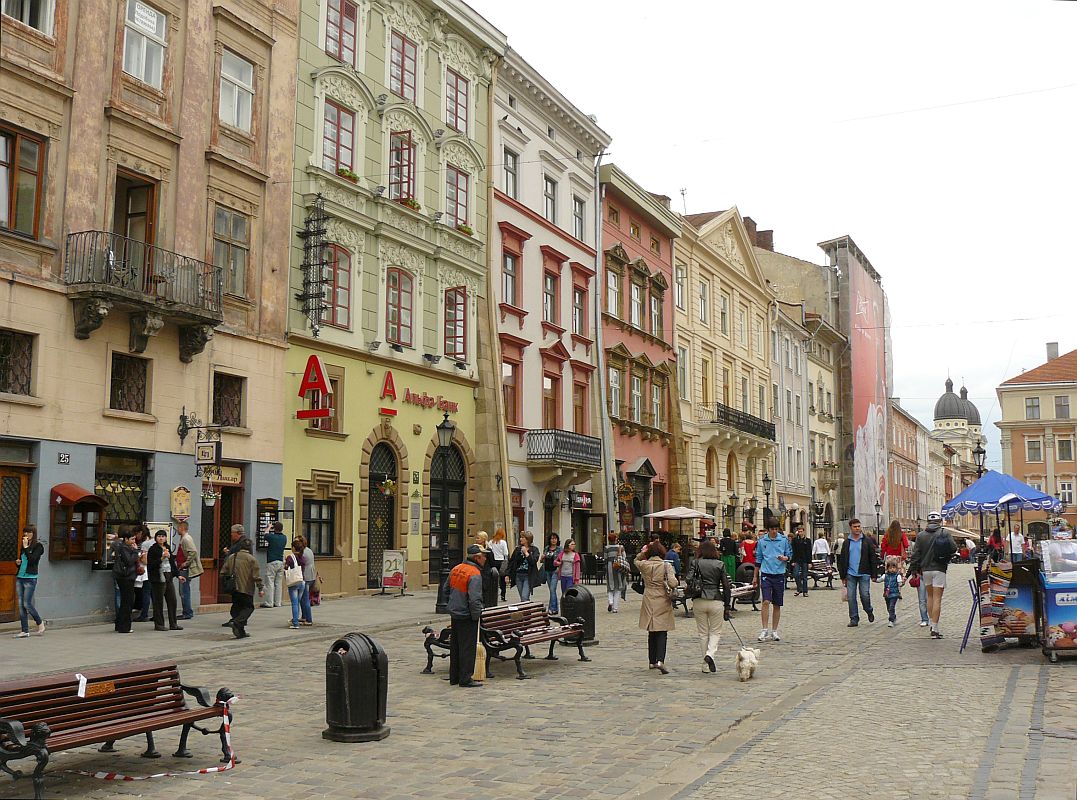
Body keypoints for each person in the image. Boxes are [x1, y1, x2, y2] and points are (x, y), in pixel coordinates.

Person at [907, 512, 956, 639]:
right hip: (939, 568)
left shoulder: (921, 535)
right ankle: (935, 628)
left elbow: (915, 554)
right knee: (937, 598)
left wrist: (913, 570)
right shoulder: (944, 533)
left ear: (928, 522)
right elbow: (954, 548)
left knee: (929, 596)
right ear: (939, 521)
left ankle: (931, 622)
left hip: (925, 570)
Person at [686, 538, 732, 673]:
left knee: (702, 633)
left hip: (699, 599)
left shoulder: (696, 562)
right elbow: (726, 586)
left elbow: (688, 579)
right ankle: (710, 655)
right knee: (715, 632)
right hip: (716, 599)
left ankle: (705, 665)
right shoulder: (720, 564)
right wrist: (727, 605)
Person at [447, 544, 486, 688]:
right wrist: (476, 616)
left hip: (455, 612)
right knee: (467, 648)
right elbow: (474, 599)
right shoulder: (474, 573)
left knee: (455, 646)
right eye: (484, 556)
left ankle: (454, 676)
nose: (485, 558)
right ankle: (465, 678)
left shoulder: (456, 568)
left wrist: (451, 606)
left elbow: (446, 589)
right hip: (467, 614)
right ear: (477, 557)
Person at [635, 541, 677, 673]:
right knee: (662, 630)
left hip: (648, 596)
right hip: (662, 598)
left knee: (651, 629)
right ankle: (660, 660)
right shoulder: (666, 566)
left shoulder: (644, 565)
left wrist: (644, 552)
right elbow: (673, 582)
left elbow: (636, 559)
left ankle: (651, 661)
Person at [754, 518, 792, 642]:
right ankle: (764, 629)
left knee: (777, 604)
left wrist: (785, 558)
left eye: (776, 529)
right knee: (765, 601)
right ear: (768, 529)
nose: (774, 531)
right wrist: (755, 576)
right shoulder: (762, 541)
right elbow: (758, 559)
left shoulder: (784, 540)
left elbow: (789, 555)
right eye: (772, 529)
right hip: (766, 573)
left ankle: (774, 630)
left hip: (779, 574)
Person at [837, 518, 879, 627]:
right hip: (850, 573)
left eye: (859, 526)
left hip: (864, 572)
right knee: (851, 597)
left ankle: (868, 610)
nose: (857, 528)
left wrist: (874, 574)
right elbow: (842, 559)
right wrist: (843, 575)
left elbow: (873, 558)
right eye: (855, 527)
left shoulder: (867, 541)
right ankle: (854, 618)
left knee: (865, 595)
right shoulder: (847, 542)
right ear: (850, 528)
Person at [220, 537, 264, 639]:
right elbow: (256, 576)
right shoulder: (252, 559)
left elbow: (223, 572)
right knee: (248, 608)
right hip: (246, 588)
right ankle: (236, 623)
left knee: (237, 607)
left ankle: (240, 631)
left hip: (234, 588)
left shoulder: (232, 557)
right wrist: (260, 588)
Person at [147, 528, 182, 631]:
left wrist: (178, 575)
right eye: (159, 536)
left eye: (163, 536)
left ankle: (173, 623)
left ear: (166, 538)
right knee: (158, 601)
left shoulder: (167, 547)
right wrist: (161, 558)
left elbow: (172, 563)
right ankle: (159, 624)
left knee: (172, 600)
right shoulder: (153, 549)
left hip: (168, 575)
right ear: (156, 538)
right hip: (158, 577)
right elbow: (151, 564)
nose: (161, 538)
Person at [13, 525, 45, 638]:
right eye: (25, 532)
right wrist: (18, 563)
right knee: (21, 604)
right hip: (20, 577)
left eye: (29, 532)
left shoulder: (39, 546)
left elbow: (32, 560)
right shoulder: (23, 546)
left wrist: (26, 547)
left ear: (33, 533)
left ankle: (40, 623)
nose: (26, 535)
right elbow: (24, 561)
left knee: (27, 603)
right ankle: (24, 630)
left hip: (30, 578)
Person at [111, 527, 140, 634]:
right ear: (126, 539)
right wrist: (136, 551)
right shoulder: (124, 548)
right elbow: (129, 561)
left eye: (134, 539)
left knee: (125, 601)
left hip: (125, 576)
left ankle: (120, 625)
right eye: (132, 539)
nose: (134, 542)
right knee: (127, 602)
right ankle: (124, 627)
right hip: (125, 577)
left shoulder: (125, 547)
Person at [176, 521, 202, 620]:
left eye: (178, 528)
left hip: (185, 569)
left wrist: (185, 563)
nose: (177, 529)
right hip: (182, 568)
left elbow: (193, 552)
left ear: (182, 528)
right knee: (184, 591)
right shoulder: (184, 538)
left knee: (184, 591)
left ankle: (187, 612)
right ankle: (186, 611)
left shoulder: (186, 539)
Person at [285, 540, 311, 630]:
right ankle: (295, 619)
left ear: (293, 548)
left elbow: (286, 567)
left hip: (294, 582)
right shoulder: (303, 558)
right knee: (297, 602)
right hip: (302, 582)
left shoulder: (290, 558)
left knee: (294, 603)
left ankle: (295, 623)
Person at [507, 532, 539, 601]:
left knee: (525, 597)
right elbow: (512, 562)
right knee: (522, 598)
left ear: (527, 539)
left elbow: (533, 561)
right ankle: (527, 611)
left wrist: (526, 553)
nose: (520, 539)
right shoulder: (518, 549)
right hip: (518, 575)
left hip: (528, 576)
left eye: (522, 537)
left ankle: (527, 610)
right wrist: (507, 574)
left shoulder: (534, 550)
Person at [262, 521, 287, 609]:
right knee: (278, 583)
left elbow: (265, 534)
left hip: (272, 561)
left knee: (270, 582)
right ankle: (278, 602)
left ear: (274, 529)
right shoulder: (284, 538)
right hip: (281, 561)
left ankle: (269, 602)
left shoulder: (272, 537)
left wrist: (269, 527)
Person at [603, 532, 628, 613]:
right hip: (618, 568)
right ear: (616, 539)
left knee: (610, 586)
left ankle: (610, 601)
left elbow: (605, 559)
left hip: (610, 567)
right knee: (618, 587)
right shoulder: (621, 547)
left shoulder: (606, 548)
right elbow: (624, 557)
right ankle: (615, 608)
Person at [135, 525, 154, 622]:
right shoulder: (154, 541)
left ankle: (144, 614)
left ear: (141, 533)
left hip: (147, 571)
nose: (136, 536)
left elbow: (144, 559)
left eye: (137, 533)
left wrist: (138, 557)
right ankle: (156, 613)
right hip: (155, 570)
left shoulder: (145, 544)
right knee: (153, 593)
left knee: (146, 592)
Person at [541, 533, 563, 614]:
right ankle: (554, 608)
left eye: (555, 539)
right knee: (551, 590)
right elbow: (542, 560)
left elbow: (561, 560)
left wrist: (558, 568)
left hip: (555, 571)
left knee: (552, 589)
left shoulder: (559, 549)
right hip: (547, 570)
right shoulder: (546, 548)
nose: (553, 540)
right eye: (552, 538)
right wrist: (542, 558)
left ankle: (552, 608)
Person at [489, 528, 510, 601]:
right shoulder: (503, 542)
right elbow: (506, 553)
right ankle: (503, 595)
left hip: (493, 561)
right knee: (502, 579)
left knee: (493, 578)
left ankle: (493, 594)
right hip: (501, 562)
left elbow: (489, 551)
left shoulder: (491, 542)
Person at [791, 526, 812, 596]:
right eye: (799, 531)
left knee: (804, 576)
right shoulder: (795, 540)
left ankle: (805, 591)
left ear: (804, 532)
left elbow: (809, 552)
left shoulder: (807, 540)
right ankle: (799, 588)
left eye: (801, 531)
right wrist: (793, 561)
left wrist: (810, 562)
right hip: (797, 560)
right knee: (796, 574)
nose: (800, 533)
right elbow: (793, 551)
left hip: (805, 560)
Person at [883, 556, 902, 626]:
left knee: (891, 606)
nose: (892, 569)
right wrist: (876, 580)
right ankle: (893, 616)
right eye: (890, 568)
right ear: (887, 568)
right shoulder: (885, 575)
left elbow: (899, 582)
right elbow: (880, 579)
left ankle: (891, 620)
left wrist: (900, 583)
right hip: (887, 594)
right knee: (888, 607)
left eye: (894, 568)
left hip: (894, 594)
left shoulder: (897, 576)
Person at [299, 534, 317, 614]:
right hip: (311, 576)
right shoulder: (309, 550)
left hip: (306, 577)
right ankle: (304, 616)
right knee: (304, 598)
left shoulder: (303, 552)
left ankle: (307, 618)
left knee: (305, 599)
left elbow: (301, 563)